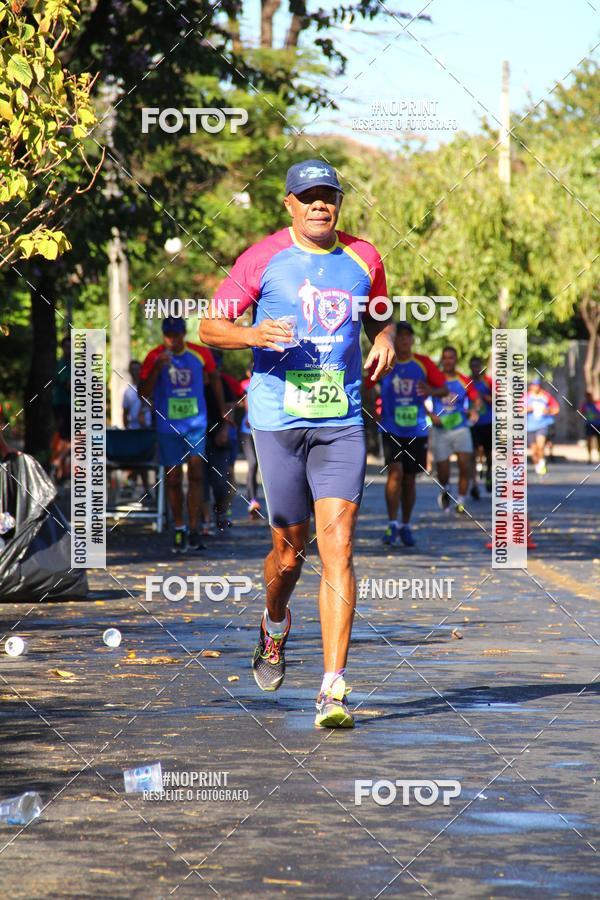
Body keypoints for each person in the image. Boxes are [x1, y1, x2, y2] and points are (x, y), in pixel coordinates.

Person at [200, 158, 395, 728]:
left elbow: (381, 313)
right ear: (288, 203)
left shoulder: (365, 257)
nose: (319, 204)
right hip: (277, 421)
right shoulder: (262, 258)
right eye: (307, 195)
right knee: (290, 553)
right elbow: (210, 327)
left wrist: (383, 336)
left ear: (339, 201)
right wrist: (252, 333)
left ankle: (332, 688)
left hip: (341, 420)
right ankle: (274, 623)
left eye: (327, 195)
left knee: (340, 549)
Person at [139, 316, 227, 554]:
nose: (172, 340)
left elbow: (215, 380)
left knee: (197, 474)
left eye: (176, 335)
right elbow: (142, 392)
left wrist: (223, 412)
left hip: (195, 423)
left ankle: (195, 527)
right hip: (168, 426)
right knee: (174, 478)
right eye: (168, 335)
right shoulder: (154, 356)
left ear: (183, 334)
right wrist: (157, 369)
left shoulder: (200, 354)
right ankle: (179, 527)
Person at [371, 321, 447, 547]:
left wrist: (430, 390)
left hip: (417, 429)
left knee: (410, 479)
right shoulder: (385, 359)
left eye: (407, 337)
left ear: (412, 340)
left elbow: (444, 389)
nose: (403, 340)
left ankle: (405, 524)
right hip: (391, 427)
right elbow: (367, 383)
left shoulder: (423, 363)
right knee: (395, 473)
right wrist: (374, 410)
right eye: (400, 337)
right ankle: (392, 523)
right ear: (394, 340)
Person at [430, 346, 480, 514]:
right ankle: (446, 488)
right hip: (440, 429)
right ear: (442, 360)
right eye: (445, 357)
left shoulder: (464, 380)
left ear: (456, 360)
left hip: (460, 428)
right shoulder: (434, 379)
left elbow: (476, 400)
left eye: (451, 357)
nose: (448, 360)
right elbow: (419, 398)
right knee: (443, 471)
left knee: (464, 465)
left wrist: (474, 410)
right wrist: (430, 415)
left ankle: (461, 500)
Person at [468, 356, 493, 497]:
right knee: (473, 454)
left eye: (478, 366)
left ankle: (489, 474)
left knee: (488, 452)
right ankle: (474, 484)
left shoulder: (488, 382)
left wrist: (484, 398)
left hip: (488, 422)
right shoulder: (467, 382)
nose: (476, 369)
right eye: (473, 366)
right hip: (473, 424)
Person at [526, 376, 559, 476]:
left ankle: (542, 462)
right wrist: (527, 409)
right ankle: (537, 465)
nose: (535, 387)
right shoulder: (525, 397)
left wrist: (548, 411)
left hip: (542, 425)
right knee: (534, 449)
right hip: (529, 426)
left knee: (540, 446)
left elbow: (556, 409)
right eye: (533, 385)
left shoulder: (546, 396)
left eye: (537, 385)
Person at [239, 368, 261, 518]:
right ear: (248, 372)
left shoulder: (264, 381)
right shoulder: (244, 385)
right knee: (252, 464)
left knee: (264, 467)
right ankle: (252, 501)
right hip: (247, 431)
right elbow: (243, 401)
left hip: (262, 429)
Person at [51, 336, 72, 482]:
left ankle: (60, 472)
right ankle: (57, 462)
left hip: (71, 405)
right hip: (63, 405)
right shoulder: (61, 365)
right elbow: (69, 386)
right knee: (74, 437)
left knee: (66, 438)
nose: (69, 350)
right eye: (67, 347)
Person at [579, 391, 600, 463]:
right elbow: (580, 414)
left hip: (598, 425)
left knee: (598, 441)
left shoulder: (598, 404)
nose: (589, 398)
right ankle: (589, 457)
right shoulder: (585, 405)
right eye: (587, 397)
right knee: (589, 441)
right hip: (589, 425)